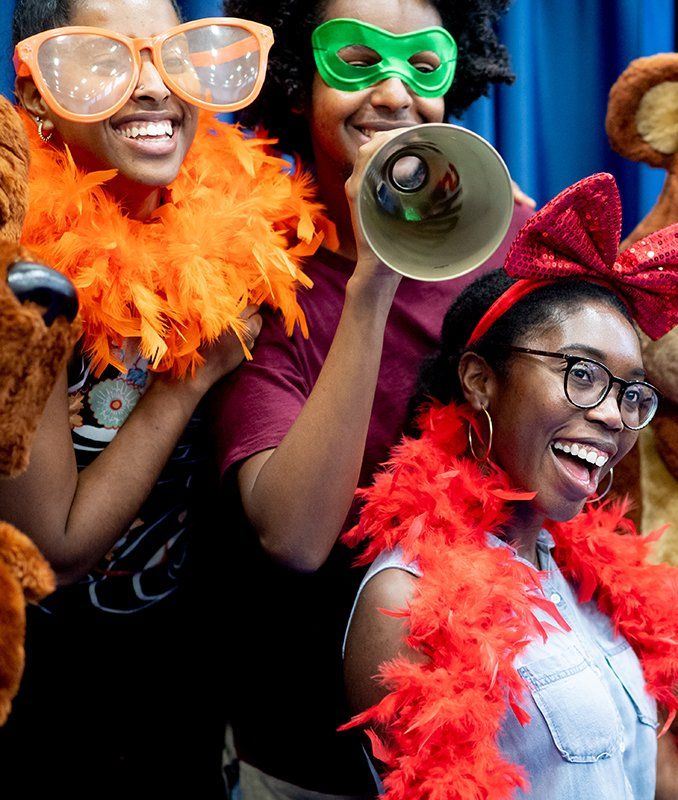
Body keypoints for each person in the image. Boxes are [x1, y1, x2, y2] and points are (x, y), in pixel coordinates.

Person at [341, 173, 678, 800]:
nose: (613, 414)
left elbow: (658, 780)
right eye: (582, 374)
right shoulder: (406, 600)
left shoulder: (586, 580)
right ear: (479, 380)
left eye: (632, 392)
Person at [211, 0, 532, 795]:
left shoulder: (513, 244)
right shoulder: (249, 276)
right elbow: (293, 536)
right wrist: (373, 279)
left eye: (423, 64)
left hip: (503, 742)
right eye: (355, 61)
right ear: (295, 80)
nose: (393, 92)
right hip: (301, 758)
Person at [0, 0, 321, 795]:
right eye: (105, 59)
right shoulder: (22, 275)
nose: (151, 86)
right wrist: (193, 378)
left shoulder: (223, 219)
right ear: (39, 92)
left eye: (168, 54)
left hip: (180, 680)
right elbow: (59, 550)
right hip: (41, 698)